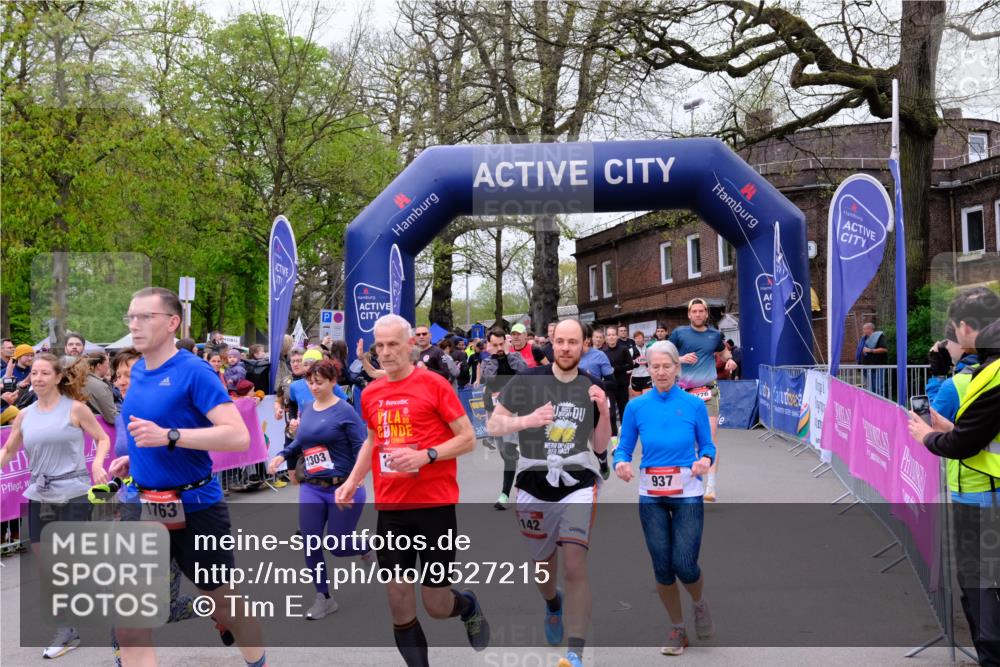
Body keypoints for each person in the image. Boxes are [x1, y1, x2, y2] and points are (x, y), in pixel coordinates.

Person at [107, 286, 265, 667]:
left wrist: (170, 437)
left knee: (226, 604)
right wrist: (136, 460)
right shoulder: (139, 371)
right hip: (144, 506)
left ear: (172, 323)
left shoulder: (195, 372)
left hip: (196, 506)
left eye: (146, 317)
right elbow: (148, 431)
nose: (135, 325)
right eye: (131, 317)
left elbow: (237, 435)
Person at [335, 314, 489, 666]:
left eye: (393, 345)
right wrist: (353, 480)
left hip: (434, 506)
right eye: (380, 346)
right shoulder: (371, 393)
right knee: (398, 600)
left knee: (435, 605)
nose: (386, 353)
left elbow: (467, 439)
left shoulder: (434, 384)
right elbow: (372, 441)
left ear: (409, 345)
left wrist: (426, 456)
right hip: (391, 508)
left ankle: (466, 605)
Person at [486, 318, 612, 667]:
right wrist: (526, 421)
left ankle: (575, 651)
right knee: (544, 568)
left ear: (585, 345)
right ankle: (552, 604)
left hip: (577, 484)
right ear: (551, 343)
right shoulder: (527, 380)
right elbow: (494, 424)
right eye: (561, 341)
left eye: (574, 342)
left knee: (575, 566)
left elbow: (600, 447)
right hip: (532, 483)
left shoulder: (593, 386)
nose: (566, 348)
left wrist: (603, 412)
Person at [908, 287, 1000, 667]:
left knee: (979, 589)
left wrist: (928, 435)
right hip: (981, 491)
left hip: (982, 496)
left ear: (966, 328)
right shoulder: (985, 370)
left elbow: (965, 441)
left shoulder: (990, 375)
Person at [0, 353, 111, 658]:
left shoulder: (75, 409)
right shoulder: (25, 415)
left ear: (58, 377)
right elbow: (9, 449)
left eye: (43, 373)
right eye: (33, 373)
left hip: (73, 493)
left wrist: (98, 465)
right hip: (39, 494)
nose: (36, 378)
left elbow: (102, 438)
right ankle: (66, 629)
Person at [613, 341, 716, 656]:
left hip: (687, 492)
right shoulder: (637, 407)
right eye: (655, 366)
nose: (660, 372)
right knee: (662, 567)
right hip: (651, 495)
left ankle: (699, 603)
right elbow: (624, 446)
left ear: (677, 368)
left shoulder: (695, 405)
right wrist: (620, 462)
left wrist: (704, 462)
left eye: (666, 366)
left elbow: (708, 447)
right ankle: (678, 628)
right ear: (648, 368)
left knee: (684, 563)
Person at [267, 360, 372, 620]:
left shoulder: (345, 411)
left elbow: (362, 447)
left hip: (342, 487)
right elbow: (302, 440)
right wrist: (282, 454)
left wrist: (357, 478)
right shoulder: (309, 409)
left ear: (333, 382)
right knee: (311, 543)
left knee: (337, 546)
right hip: (312, 487)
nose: (313, 387)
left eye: (319, 382)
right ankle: (324, 597)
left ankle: (366, 547)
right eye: (310, 382)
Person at [669, 298, 735, 502]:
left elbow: (724, 353)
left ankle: (711, 487)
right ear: (689, 314)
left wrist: (730, 359)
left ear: (706, 314)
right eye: (694, 311)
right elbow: (664, 355)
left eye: (701, 311)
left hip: (708, 392)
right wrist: (679, 359)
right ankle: (687, 480)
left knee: (709, 439)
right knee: (684, 438)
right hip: (684, 393)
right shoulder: (679, 334)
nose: (697, 314)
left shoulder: (714, 335)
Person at [480, 327, 529, 509]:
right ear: (489, 345)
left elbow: (524, 373)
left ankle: (504, 495)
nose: (499, 347)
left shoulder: (515, 358)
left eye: (502, 344)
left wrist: (509, 355)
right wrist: (495, 357)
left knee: (508, 451)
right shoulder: (486, 362)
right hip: (493, 410)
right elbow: (488, 378)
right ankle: (514, 458)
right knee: (503, 451)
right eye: (495, 345)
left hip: (513, 409)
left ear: (506, 343)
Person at [927, 322, 979, 421]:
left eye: (948, 341)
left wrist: (938, 376)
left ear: (961, 343)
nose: (947, 347)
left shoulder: (954, 385)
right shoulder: (991, 367)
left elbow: (934, 420)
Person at [601, 325, 634, 423]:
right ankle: (613, 435)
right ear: (606, 338)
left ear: (617, 336)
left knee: (623, 410)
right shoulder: (603, 352)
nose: (611, 337)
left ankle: (625, 432)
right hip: (609, 386)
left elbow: (630, 365)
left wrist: (616, 369)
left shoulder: (623, 349)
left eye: (613, 335)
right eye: (609, 335)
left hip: (622, 384)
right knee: (611, 413)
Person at [83, 351, 117, 423]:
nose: (108, 366)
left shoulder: (84, 380)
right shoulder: (99, 385)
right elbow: (112, 417)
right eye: (107, 363)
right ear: (99, 366)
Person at [857, 322, 889, 397]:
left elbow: (884, 349)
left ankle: (881, 405)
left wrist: (871, 350)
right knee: (870, 389)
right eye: (863, 329)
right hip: (867, 367)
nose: (863, 331)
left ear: (870, 329)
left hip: (878, 366)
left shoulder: (879, 337)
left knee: (878, 388)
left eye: (864, 329)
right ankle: (872, 405)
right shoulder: (864, 339)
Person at [629, 330, 652, 397]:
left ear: (643, 339)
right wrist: (633, 362)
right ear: (634, 339)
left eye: (640, 338)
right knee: (638, 399)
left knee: (647, 398)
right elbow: (628, 363)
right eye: (636, 338)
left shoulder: (649, 349)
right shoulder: (631, 350)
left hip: (647, 376)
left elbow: (653, 360)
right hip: (636, 377)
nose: (638, 340)